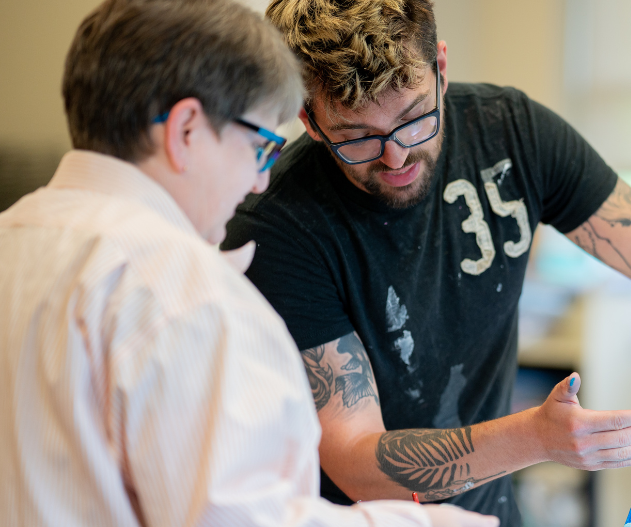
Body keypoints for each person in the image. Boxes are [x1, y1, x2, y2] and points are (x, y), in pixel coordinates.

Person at [221, 0, 631, 524]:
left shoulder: (511, 132)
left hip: (488, 510)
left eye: (413, 118)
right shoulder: (277, 227)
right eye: (358, 138)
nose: (396, 156)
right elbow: (355, 459)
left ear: (441, 70)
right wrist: (536, 437)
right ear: (309, 118)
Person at [0, 0, 496, 526]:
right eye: (260, 145)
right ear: (186, 130)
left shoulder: (13, 241)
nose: (260, 182)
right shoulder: (182, 291)